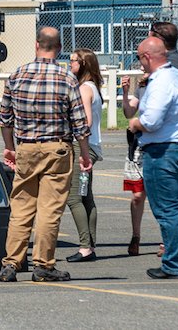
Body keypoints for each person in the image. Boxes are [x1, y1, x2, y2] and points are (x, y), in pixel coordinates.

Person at [0, 27, 92, 283]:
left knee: (21, 208)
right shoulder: (67, 77)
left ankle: (11, 264)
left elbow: (4, 118)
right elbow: (80, 122)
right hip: (56, 148)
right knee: (49, 210)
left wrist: (10, 147)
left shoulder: (17, 74)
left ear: (37, 45)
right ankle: (43, 265)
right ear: (59, 48)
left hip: (26, 147)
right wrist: (84, 153)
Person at [128, 36, 178, 279]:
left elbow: (152, 121)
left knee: (167, 209)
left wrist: (135, 123)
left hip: (164, 150)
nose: (140, 64)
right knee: (177, 206)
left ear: (148, 57)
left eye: (140, 58)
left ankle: (174, 263)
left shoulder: (161, 81)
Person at [63, 48, 103, 263]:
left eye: (74, 61)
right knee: (86, 197)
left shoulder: (85, 89)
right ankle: (91, 244)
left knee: (73, 197)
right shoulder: (93, 87)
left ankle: (85, 247)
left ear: (84, 64)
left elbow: (85, 122)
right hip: (92, 146)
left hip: (83, 147)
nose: (70, 64)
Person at [120, 73, 147, 256]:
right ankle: (135, 236)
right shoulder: (143, 88)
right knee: (137, 195)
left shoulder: (167, 83)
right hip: (139, 147)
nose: (142, 67)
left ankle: (166, 240)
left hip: (159, 145)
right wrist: (125, 92)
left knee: (160, 196)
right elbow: (129, 112)